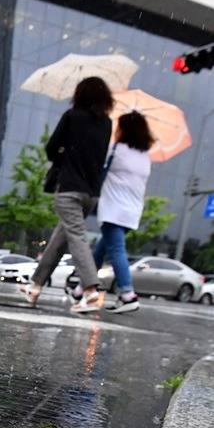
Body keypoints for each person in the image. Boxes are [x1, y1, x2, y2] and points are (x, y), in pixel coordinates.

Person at [22, 76, 114, 312]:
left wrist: (65, 155)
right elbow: (100, 158)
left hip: (69, 190)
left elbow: (51, 149)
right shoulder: (106, 123)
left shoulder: (72, 116)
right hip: (90, 194)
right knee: (59, 240)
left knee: (76, 238)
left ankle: (91, 290)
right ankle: (35, 286)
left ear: (80, 94)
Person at [90, 111, 154, 313]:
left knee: (117, 251)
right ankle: (81, 288)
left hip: (113, 209)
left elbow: (98, 170)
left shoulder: (116, 150)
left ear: (125, 129)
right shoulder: (145, 157)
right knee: (101, 251)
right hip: (132, 212)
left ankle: (128, 294)